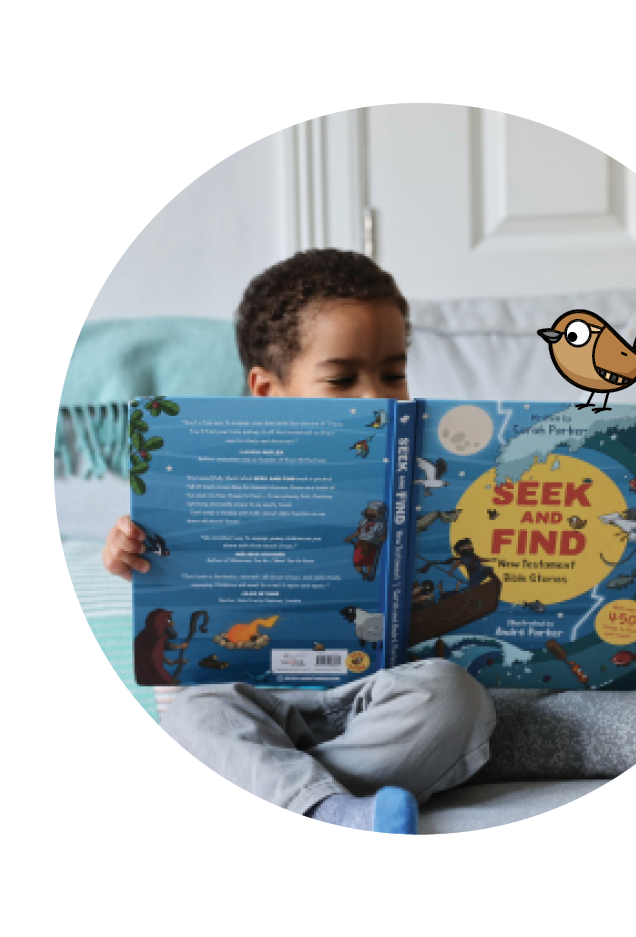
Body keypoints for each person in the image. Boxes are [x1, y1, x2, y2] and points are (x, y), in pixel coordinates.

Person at [101, 249, 496, 835]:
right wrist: (126, 553)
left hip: (369, 698)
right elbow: (165, 587)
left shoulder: (421, 474)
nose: (378, 397)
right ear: (267, 388)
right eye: (342, 379)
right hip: (246, 697)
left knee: (455, 697)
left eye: (393, 372)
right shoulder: (206, 478)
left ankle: (281, 791)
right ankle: (330, 808)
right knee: (197, 711)